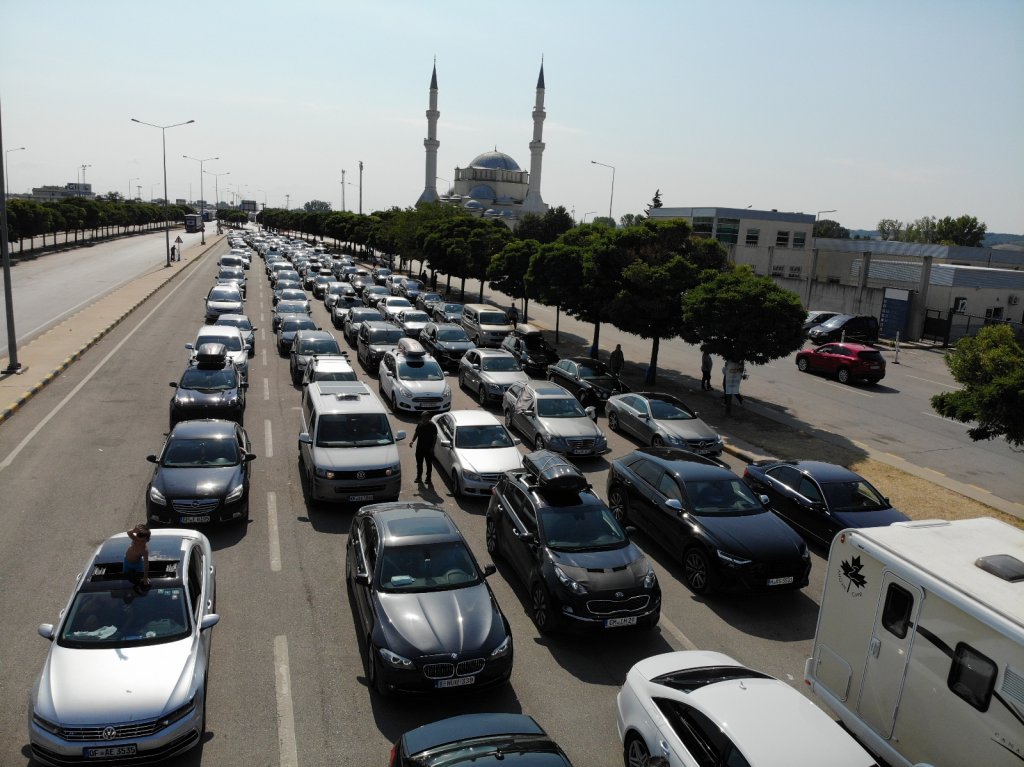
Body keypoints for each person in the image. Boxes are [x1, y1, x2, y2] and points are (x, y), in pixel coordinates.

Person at [409, 412, 438, 483]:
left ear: (429, 418)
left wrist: (432, 448)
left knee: (429, 465)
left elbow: (435, 438)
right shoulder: (420, 424)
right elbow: (416, 433)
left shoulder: (433, 426)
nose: (423, 419)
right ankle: (419, 477)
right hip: (419, 448)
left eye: (425, 417)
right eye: (422, 417)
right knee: (419, 464)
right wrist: (412, 441)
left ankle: (428, 478)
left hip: (429, 449)